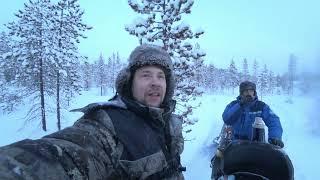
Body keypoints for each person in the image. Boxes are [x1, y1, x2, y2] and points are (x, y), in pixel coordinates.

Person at [0, 44, 185, 180]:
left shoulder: (170, 122)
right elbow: (66, 155)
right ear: (130, 83)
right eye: (146, 74)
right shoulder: (106, 124)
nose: (155, 82)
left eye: (161, 76)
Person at [222, 80, 284, 147]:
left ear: (254, 93)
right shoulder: (233, 105)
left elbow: (274, 121)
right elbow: (226, 119)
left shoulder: (261, 106)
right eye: (246, 91)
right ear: (241, 93)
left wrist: (275, 137)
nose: (249, 93)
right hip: (236, 142)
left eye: (251, 91)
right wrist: (240, 105)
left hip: (255, 143)